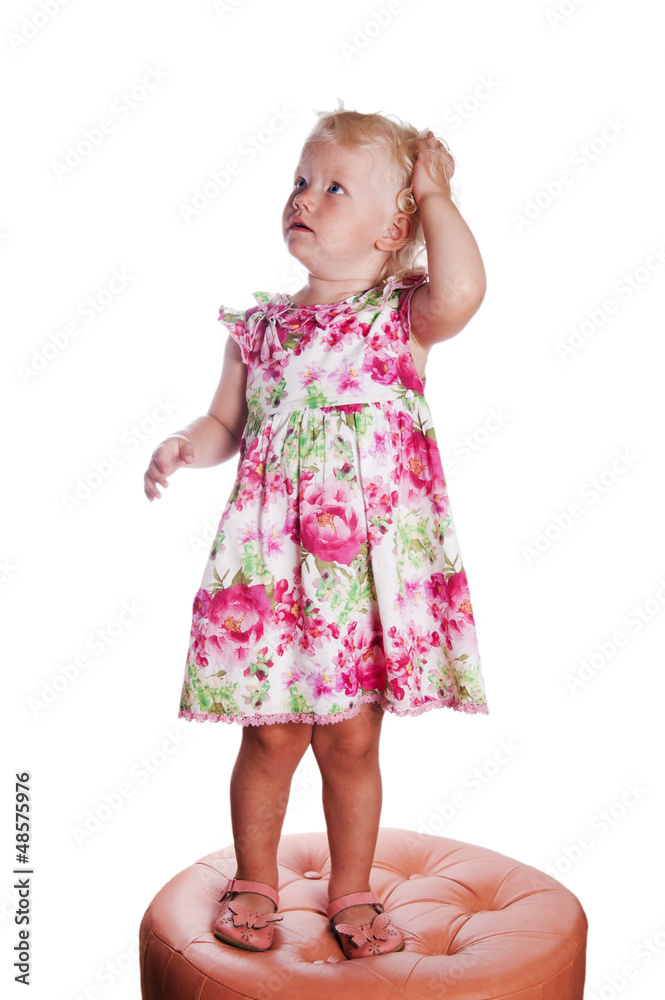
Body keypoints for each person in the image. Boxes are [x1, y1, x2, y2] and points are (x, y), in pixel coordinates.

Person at [143, 108, 489, 960]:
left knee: (352, 737)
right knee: (270, 733)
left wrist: (435, 195)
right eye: (301, 181)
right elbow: (227, 424)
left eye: (335, 188)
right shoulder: (257, 331)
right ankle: (254, 879)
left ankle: (352, 889)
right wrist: (188, 443)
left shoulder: (399, 317)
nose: (304, 197)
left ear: (391, 230)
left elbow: (462, 291)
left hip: (364, 577)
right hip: (274, 567)